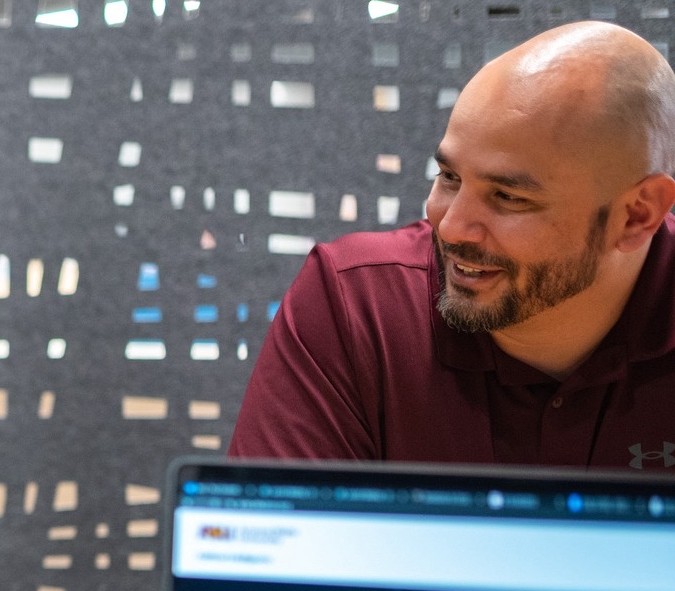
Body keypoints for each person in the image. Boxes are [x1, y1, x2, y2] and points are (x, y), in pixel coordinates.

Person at [231, 21, 675, 471]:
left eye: (509, 197)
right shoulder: (355, 303)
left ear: (637, 215)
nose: (452, 228)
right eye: (450, 178)